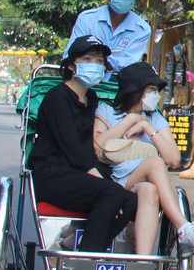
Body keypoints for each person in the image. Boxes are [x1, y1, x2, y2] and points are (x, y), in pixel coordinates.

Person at [92, 61, 194, 255]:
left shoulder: (155, 119)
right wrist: (131, 120)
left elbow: (174, 159)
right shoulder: (107, 112)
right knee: (154, 162)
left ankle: (142, 262)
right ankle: (183, 228)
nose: (155, 95)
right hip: (114, 180)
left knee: (150, 190)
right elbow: (97, 146)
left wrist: (147, 128)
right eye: (151, 89)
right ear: (137, 90)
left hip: (140, 183)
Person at [29, 35, 138, 253]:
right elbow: (71, 146)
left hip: (76, 175)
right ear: (71, 65)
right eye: (87, 59)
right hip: (51, 173)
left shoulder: (92, 99)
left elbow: (88, 144)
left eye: (99, 62)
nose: (95, 66)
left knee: (130, 202)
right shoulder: (57, 97)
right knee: (113, 194)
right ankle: (88, 258)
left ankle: (83, 249)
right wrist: (102, 180)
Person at [65, 0, 152, 75]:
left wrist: (95, 60)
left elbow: (130, 63)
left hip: (118, 88)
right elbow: (71, 55)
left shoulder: (142, 29)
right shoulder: (87, 19)